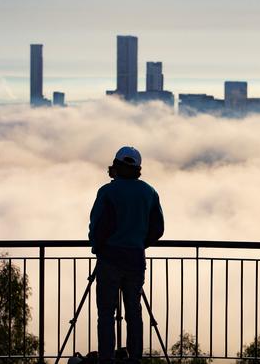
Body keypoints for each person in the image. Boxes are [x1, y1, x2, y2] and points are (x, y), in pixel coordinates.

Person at [89, 146, 164, 363]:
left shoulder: (107, 192)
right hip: (135, 260)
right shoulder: (149, 192)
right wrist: (140, 243)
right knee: (134, 312)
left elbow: (97, 226)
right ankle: (134, 358)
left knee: (105, 314)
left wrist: (98, 246)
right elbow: (157, 229)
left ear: (117, 165)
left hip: (109, 259)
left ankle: (106, 359)